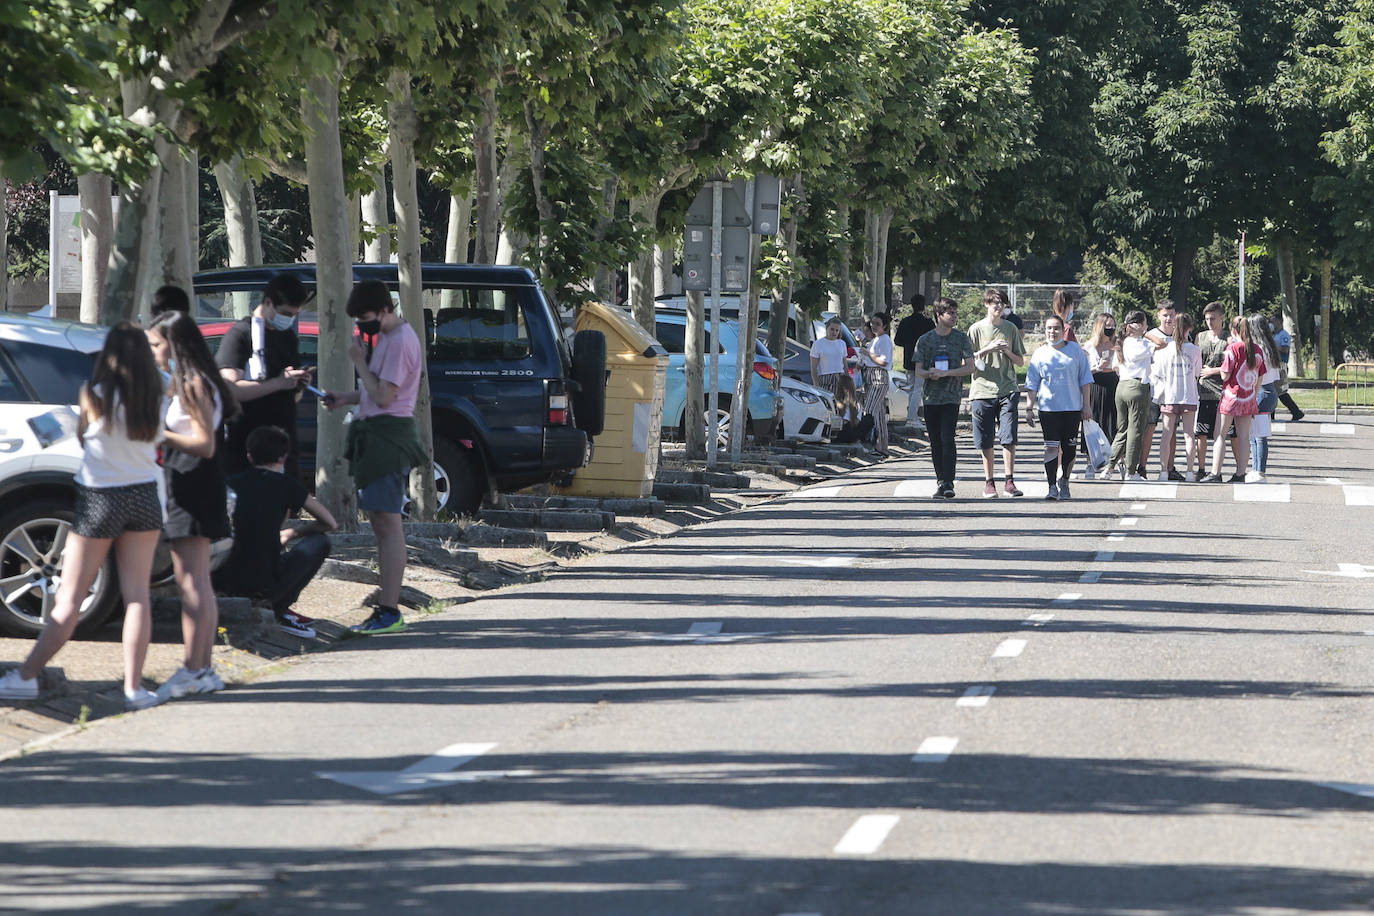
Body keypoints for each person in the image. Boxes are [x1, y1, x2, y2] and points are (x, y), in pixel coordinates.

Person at [0, 324, 168, 710]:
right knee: (138, 596)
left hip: (101, 497)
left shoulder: (93, 395)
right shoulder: (157, 397)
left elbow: (82, 434)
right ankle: (134, 688)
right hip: (144, 496)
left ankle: (26, 677)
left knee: (71, 596)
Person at [146, 310, 240, 699]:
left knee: (191, 582)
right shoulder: (197, 381)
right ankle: (202, 667)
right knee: (198, 581)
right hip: (196, 482)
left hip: (193, 480)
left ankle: (193, 667)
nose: (152, 351)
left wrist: (160, 434)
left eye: (155, 343)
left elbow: (204, 444)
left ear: (174, 344)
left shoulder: (194, 384)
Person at [323, 280, 426, 635]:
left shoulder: (398, 342)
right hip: (377, 433)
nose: (362, 326)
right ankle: (386, 606)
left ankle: (389, 609)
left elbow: (384, 396)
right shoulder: (387, 338)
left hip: (387, 437)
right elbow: (378, 393)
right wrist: (346, 397)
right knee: (382, 524)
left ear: (384, 310)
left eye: (365, 317)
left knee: (388, 525)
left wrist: (359, 363)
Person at [214, 426, 338, 638]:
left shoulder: (230, 484)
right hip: (266, 583)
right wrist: (293, 533)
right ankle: (280, 609)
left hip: (225, 578)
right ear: (284, 456)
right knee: (320, 542)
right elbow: (330, 523)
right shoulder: (288, 485)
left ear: (249, 456)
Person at [216, 273, 314, 479]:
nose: (289, 320)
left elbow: (291, 396)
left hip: (285, 444)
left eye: (295, 315)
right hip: (248, 448)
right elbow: (229, 389)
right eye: (286, 313)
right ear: (268, 302)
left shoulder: (287, 337)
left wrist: (299, 385)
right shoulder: (240, 334)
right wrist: (278, 383)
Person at [1023, 314, 1093, 500]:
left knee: (1069, 448)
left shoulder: (1075, 351)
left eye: (1056, 328)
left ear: (1063, 331)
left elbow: (1085, 380)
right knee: (1051, 447)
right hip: (1048, 409)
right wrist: (1029, 408)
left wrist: (1086, 406)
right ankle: (1052, 486)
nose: (1052, 332)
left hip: (1071, 408)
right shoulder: (1040, 353)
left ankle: (1065, 481)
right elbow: (1032, 383)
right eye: (1049, 328)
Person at [967, 287, 1027, 498]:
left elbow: (1020, 361)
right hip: (982, 390)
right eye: (995, 303)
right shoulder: (975, 329)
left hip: (1008, 388)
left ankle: (1009, 481)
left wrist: (1006, 351)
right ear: (986, 305)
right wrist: (987, 349)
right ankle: (989, 481)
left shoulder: (1010, 328)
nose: (999, 307)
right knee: (985, 439)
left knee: (1008, 436)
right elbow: (967, 361)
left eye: (1002, 303)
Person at [912, 297, 975, 498]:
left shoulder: (961, 338)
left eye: (956, 313)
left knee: (948, 438)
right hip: (931, 398)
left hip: (952, 396)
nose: (955, 317)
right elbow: (918, 371)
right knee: (936, 441)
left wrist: (947, 373)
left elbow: (970, 367)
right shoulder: (925, 340)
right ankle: (940, 480)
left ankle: (949, 482)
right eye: (951, 313)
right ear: (939, 315)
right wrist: (930, 372)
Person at [1200, 316, 1267, 483]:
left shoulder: (1232, 349)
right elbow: (1260, 376)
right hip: (1249, 397)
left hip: (1231, 396)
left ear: (1234, 331)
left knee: (1220, 434)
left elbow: (1225, 374)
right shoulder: (1257, 350)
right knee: (1244, 436)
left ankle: (1215, 472)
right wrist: (1254, 393)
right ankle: (1240, 473)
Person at [1108, 310, 1165, 480]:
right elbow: (1161, 343)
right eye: (1145, 323)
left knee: (1123, 429)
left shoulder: (1122, 342)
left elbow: (1115, 367)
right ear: (1139, 325)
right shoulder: (1139, 343)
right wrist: (1144, 333)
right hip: (1137, 387)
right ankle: (1131, 471)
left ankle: (1109, 465)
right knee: (1135, 431)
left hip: (1122, 386)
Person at [1149, 313, 1201, 482]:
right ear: (1189, 328)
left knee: (1166, 434)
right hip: (1189, 396)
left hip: (1170, 395)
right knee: (1189, 435)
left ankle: (1163, 471)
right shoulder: (1194, 350)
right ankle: (1190, 472)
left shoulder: (1165, 349)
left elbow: (1158, 372)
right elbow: (1198, 373)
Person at [1195, 302, 1235, 477]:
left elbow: (1234, 363)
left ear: (1221, 318)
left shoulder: (1228, 338)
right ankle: (1202, 468)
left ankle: (1238, 469)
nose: (1209, 322)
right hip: (1203, 391)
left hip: (1222, 391)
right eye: (1207, 319)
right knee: (1201, 433)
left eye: (1213, 318)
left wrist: (1214, 370)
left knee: (1229, 434)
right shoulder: (1200, 337)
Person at [1141, 300, 1178, 475]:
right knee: (1149, 428)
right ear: (1158, 316)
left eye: (1171, 315)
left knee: (1171, 431)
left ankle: (1170, 467)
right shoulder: (1150, 335)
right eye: (1165, 315)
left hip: (1174, 390)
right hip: (1154, 388)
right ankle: (1142, 467)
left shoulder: (1181, 334)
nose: (1169, 319)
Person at [1082, 313, 1119, 478]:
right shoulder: (1089, 346)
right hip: (1095, 386)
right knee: (1093, 424)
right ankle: (1090, 461)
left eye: (1113, 326)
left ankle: (1114, 462)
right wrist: (1098, 367)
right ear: (1100, 327)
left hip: (1112, 385)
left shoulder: (1117, 344)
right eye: (1107, 326)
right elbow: (1083, 372)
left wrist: (1110, 366)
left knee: (1113, 423)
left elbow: (1121, 366)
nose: (1110, 329)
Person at [1247, 314, 1282, 481]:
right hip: (1270, 391)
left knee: (1257, 435)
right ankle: (1256, 468)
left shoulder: (1258, 347)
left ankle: (1259, 470)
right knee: (1256, 433)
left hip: (1261, 391)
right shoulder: (1269, 345)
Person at [892, 293, 934, 432]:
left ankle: (912, 415)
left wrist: (909, 344)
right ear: (924, 306)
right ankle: (912, 418)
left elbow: (897, 340)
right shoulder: (928, 323)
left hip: (909, 359)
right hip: (924, 359)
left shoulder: (905, 322)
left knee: (911, 388)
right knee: (918, 389)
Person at [810, 316, 859, 426]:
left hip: (840, 377)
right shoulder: (818, 344)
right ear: (827, 328)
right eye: (832, 329)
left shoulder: (841, 343)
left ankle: (839, 428)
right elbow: (814, 367)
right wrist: (816, 383)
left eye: (837, 330)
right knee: (828, 406)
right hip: (825, 377)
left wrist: (848, 378)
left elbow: (844, 364)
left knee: (841, 405)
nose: (834, 332)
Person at [859, 313, 894, 457]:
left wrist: (868, 354)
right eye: (872, 323)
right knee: (879, 414)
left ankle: (871, 442)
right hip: (870, 376)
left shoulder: (884, 340)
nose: (873, 326)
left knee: (870, 411)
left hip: (879, 377)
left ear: (884, 326)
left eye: (877, 324)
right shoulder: (875, 340)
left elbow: (884, 361)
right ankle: (882, 446)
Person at [1269, 313, 1305, 421]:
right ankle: (1272, 414)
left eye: (1273, 321)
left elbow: (1285, 349)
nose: (1272, 324)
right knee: (1275, 391)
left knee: (1279, 391)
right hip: (1274, 365)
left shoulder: (1283, 335)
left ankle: (1295, 411)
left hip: (1281, 365)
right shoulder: (1274, 335)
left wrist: (1273, 345)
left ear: (1279, 322)